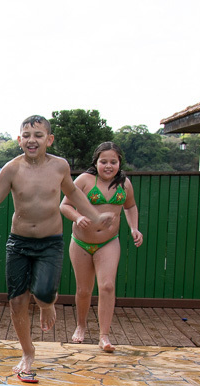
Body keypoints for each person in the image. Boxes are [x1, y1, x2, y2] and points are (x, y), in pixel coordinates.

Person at [0, 115, 114, 383]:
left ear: (49, 140)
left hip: (50, 242)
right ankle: (28, 353)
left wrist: (96, 217)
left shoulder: (59, 167)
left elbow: (75, 195)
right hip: (18, 243)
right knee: (16, 300)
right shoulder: (11, 169)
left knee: (43, 292)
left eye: (38, 135)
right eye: (26, 135)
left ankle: (45, 303)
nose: (32, 140)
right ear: (19, 140)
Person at [60, 142, 143, 353]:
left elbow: (130, 206)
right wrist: (78, 218)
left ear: (119, 163)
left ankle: (104, 335)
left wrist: (134, 228)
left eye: (113, 162)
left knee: (107, 285)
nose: (108, 166)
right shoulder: (85, 181)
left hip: (108, 242)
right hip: (80, 242)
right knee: (84, 289)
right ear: (95, 162)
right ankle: (81, 325)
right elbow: (65, 205)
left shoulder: (124, 184)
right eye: (103, 161)